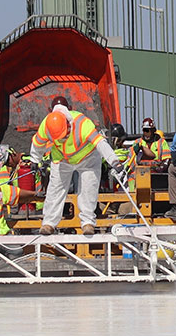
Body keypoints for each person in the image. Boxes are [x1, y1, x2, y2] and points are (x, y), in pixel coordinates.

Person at [30, 96, 124, 236]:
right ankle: (49, 223)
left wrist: (114, 161)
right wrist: (34, 160)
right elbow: (37, 144)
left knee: (88, 188)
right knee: (55, 190)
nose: (62, 139)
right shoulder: (47, 125)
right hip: (62, 159)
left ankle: (87, 223)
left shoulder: (82, 124)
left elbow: (100, 143)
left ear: (68, 124)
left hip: (88, 159)